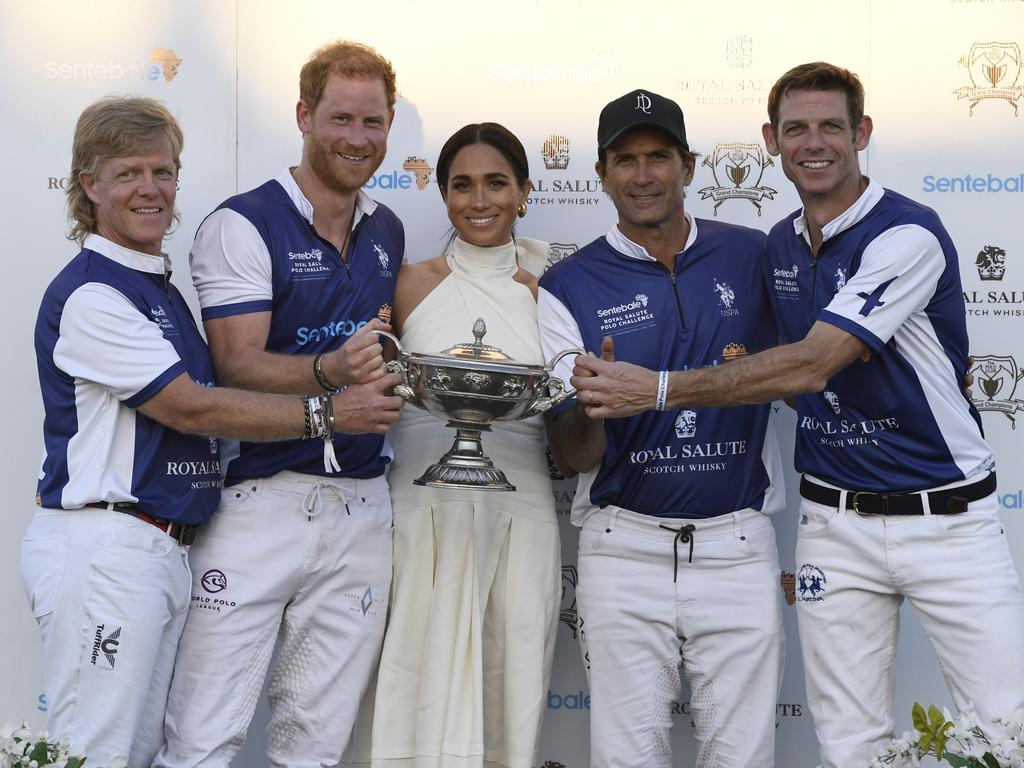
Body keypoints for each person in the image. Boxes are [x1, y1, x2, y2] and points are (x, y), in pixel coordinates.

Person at [569, 63, 1024, 768]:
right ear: (770, 141)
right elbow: (778, 373)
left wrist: (657, 390)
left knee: (1003, 732)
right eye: (795, 129)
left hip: (948, 522)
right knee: (848, 746)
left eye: (830, 127)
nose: (814, 143)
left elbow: (811, 364)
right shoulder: (775, 245)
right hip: (833, 527)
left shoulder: (908, 233)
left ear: (861, 133)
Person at [24, 95, 402, 768]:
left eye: (163, 172)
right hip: (108, 544)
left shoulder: (157, 288)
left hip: (160, 548)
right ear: (89, 185)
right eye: (128, 173)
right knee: (90, 754)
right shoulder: (92, 293)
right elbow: (192, 408)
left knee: (136, 753)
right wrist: (328, 413)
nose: (150, 189)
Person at [154, 40, 406, 768]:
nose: (358, 139)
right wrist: (331, 372)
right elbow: (234, 364)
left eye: (373, 122)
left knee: (314, 745)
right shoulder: (244, 221)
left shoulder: (386, 228)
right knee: (203, 736)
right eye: (341, 119)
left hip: (361, 506)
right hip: (260, 500)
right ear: (303, 115)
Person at [536, 90, 785, 768]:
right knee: (627, 757)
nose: (643, 175)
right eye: (626, 160)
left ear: (689, 165)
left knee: (743, 756)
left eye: (658, 157)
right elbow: (572, 454)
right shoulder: (567, 284)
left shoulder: (754, 254)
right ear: (600, 174)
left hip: (737, 542)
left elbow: (812, 362)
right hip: (624, 549)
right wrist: (588, 408)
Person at [366, 123, 560, 768]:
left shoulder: (551, 290)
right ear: (445, 195)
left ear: (525, 192)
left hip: (522, 507)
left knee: (510, 681)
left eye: (497, 183)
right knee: (410, 681)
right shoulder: (406, 283)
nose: (480, 200)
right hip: (419, 509)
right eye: (462, 185)